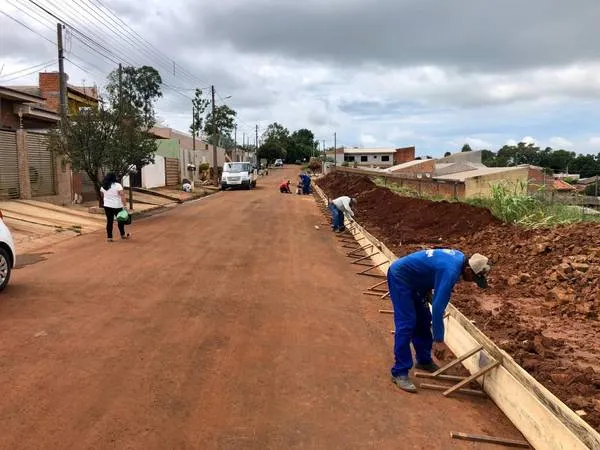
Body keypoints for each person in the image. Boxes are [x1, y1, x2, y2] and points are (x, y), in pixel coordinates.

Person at [387, 249, 490, 393]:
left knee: (423, 319)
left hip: (417, 281)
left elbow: (432, 266)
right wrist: (439, 340)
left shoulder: (459, 257)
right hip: (401, 278)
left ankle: (424, 360)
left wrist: (428, 287)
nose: (472, 282)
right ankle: (399, 372)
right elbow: (437, 308)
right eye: (473, 278)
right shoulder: (450, 271)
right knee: (407, 323)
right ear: (468, 269)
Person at [100, 173, 129, 242]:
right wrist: (125, 206)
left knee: (109, 221)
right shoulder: (118, 185)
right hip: (117, 206)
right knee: (120, 220)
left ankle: (109, 237)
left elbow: (102, 195)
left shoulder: (103, 186)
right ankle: (123, 234)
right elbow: (122, 195)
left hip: (107, 206)